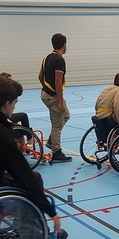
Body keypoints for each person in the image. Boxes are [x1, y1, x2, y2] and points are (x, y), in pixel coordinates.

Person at [0, 75, 68, 239]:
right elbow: (24, 174)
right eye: (14, 103)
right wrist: (51, 211)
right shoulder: (0, 133)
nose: (14, 108)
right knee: (34, 178)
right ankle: (37, 237)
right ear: (7, 103)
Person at [38, 33, 72, 163]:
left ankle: (52, 141)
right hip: (53, 96)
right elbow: (58, 81)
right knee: (57, 124)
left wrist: (46, 88)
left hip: (46, 94)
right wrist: (60, 100)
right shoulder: (59, 60)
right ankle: (56, 152)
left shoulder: (46, 58)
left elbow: (40, 77)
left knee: (66, 115)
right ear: (63, 45)